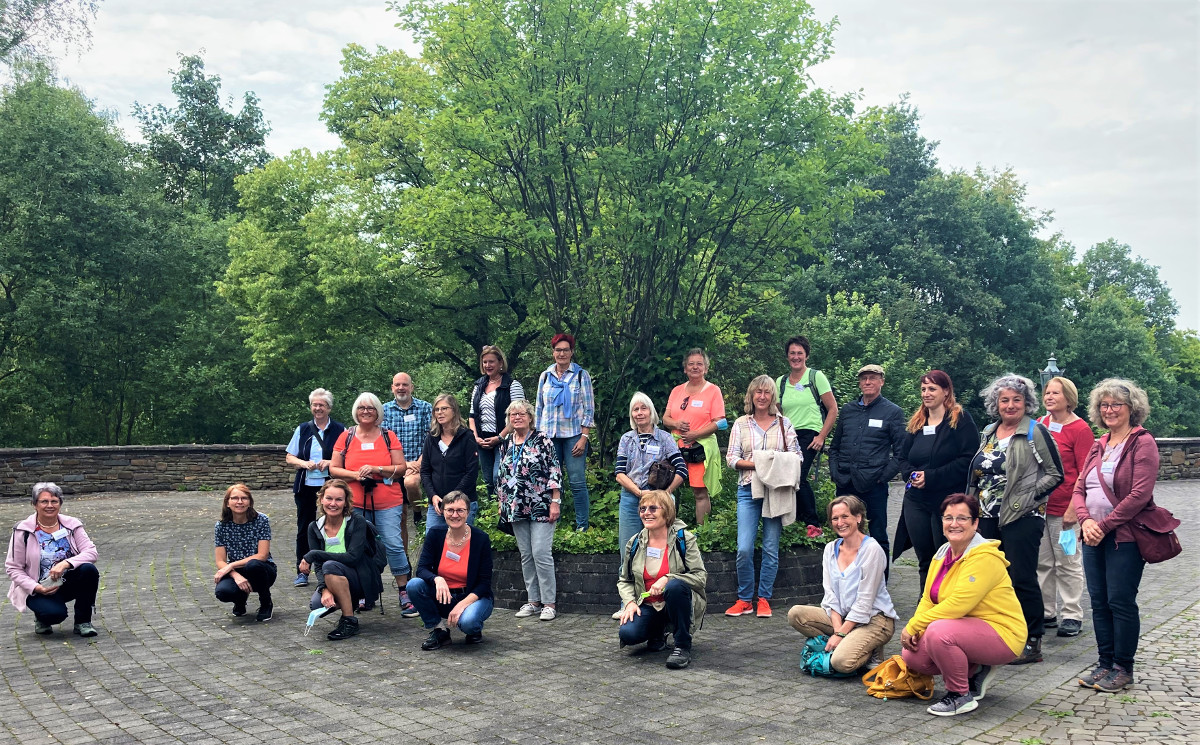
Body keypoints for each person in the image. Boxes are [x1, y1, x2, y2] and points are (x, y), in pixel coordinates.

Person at [901, 493, 1026, 717]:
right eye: (948, 518)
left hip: (1003, 633)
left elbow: (958, 604)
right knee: (912, 655)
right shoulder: (942, 554)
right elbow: (928, 598)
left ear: (975, 523)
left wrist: (915, 626)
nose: (954, 524)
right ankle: (975, 669)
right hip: (966, 629)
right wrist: (915, 627)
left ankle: (960, 695)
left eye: (962, 518)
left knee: (938, 632)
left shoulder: (984, 557)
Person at [968, 374, 1064, 665]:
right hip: (986, 517)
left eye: (1016, 400)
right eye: (1004, 400)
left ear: (1026, 403)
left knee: (1021, 578)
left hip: (1022, 516)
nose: (1010, 405)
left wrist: (1028, 498)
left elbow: (1055, 474)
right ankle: (998, 634)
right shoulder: (988, 431)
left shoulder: (1035, 431)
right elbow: (977, 472)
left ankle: (1032, 641)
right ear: (996, 403)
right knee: (990, 579)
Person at [1073, 378, 1159, 693]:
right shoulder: (1099, 444)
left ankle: (1124, 667)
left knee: (1120, 601)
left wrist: (1103, 525)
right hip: (1092, 534)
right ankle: (1105, 663)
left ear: (1131, 408)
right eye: (1104, 405)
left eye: (1116, 405)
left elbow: (1139, 494)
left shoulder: (1142, 442)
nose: (1109, 410)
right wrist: (1085, 521)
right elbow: (1080, 487)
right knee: (1098, 602)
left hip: (1124, 536)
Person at [787, 496, 898, 673]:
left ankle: (872, 649)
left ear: (859, 517)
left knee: (841, 663)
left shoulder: (872, 550)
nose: (840, 523)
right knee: (796, 614)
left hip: (875, 620)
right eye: (835, 518)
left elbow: (865, 601)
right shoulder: (831, 548)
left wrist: (840, 635)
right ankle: (852, 642)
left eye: (845, 516)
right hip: (845, 617)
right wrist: (839, 631)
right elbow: (831, 595)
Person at [725, 375, 803, 619]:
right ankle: (744, 599)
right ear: (751, 395)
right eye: (757, 392)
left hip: (775, 491)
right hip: (748, 490)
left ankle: (764, 599)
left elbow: (797, 456)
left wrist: (770, 465)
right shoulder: (741, 424)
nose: (762, 396)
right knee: (744, 548)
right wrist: (760, 464)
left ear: (772, 397)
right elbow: (731, 459)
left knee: (770, 548)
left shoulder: (784, 424)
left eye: (766, 392)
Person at [897, 370, 979, 591]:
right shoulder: (917, 422)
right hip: (916, 500)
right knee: (925, 558)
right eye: (923, 389)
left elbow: (968, 459)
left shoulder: (959, 419)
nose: (926, 393)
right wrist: (911, 475)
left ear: (946, 391)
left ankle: (948, 606)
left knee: (946, 556)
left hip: (946, 500)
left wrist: (931, 477)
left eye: (932, 388)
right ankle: (925, 606)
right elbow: (902, 457)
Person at [330, 392, 412, 614]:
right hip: (355, 503)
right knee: (359, 548)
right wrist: (356, 475)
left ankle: (404, 590)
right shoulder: (345, 436)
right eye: (361, 408)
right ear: (356, 411)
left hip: (388, 501)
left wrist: (377, 470)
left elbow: (401, 468)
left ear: (378, 412)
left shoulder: (388, 436)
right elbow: (333, 469)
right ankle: (366, 591)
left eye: (371, 408)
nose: (365, 412)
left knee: (394, 545)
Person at [617, 490, 707, 670]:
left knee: (674, 587)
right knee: (628, 634)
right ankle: (659, 632)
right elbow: (624, 580)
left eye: (652, 508)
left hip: (678, 601)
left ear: (666, 512)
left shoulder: (684, 539)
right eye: (642, 509)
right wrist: (629, 603)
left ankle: (682, 645)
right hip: (649, 604)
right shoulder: (634, 542)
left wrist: (667, 578)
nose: (646, 513)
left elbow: (700, 577)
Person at [827, 364, 907, 558]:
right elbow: (835, 446)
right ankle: (848, 580)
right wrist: (835, 472)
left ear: (882, 381)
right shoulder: (848, 410)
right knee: (845, 533)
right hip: (846, 482)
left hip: (874, 485)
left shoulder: (892, 412)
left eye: (872, 378)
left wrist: (882, 477)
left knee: (878, 535)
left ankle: (880, 585)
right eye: (864, 378)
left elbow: (901, 452)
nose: (868, 382)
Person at [497, 399, 563, 622]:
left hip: (541, 504)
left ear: (530, 417)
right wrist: (501, 502)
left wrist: (556, 501)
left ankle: (549, 603)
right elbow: (502, 475)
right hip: (515, 506)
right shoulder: (506, 442)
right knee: (526, 555)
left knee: (541, 553)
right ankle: (533, 601)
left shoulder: (542, 439)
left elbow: (554, 470)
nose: (517, 417)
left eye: (521, 413)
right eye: (513, 414)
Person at [1038, 376, 1094, 638]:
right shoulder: (1040, 424)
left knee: (1068, 561)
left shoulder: (1080, 429)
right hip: (1040, 507)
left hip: (1065, 510)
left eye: (1055, 393)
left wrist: (1075, 508)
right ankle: (1046, 612)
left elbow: (1085, 472)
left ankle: (1072, 614)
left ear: (1068, 398)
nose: (1049, 396)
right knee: (1043, 562)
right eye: (1047, 392)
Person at [5, 482, 100, 637]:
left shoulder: (71, 525)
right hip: (37, 588)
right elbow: (13, 568)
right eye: (44, 501)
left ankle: (83, 621)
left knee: (88, 570)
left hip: (66, 581)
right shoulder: (23, 531)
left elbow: (91, 552)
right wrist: (36, 587)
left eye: (54, 501)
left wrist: (66, 563)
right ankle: (42, 618)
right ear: (34, 504)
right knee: (55, 615)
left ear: (60, 504)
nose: (50, 505)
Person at [407, 491, 495, 650]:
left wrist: (462, 605)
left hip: (473, 597)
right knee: (414, 585)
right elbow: (422, 569)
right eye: (450, 510)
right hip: (444, 596)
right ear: (443, 511)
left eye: (460, 510)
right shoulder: (435, 534)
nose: (455, 515)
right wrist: (437, 579)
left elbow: (484, 583)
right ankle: (440, 630)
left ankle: (473, 629)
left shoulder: (481, 539)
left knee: (468, 623)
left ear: (468, 512)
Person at [299, 480, 383, 641]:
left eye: (339, 499)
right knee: (317, 605)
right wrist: (324, 589)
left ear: (346, 502)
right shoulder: (314, 527)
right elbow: (318, 566)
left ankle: (349, 620)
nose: (333, 504)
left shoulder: (356, 522)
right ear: (321, 499)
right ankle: (346, 601)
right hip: (334, 578)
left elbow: (353, 558)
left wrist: (314, 553)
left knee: (330, 565)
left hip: (361, 577)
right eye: (329, 498)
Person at [614, 392, 688, 558]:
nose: (639, 412)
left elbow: (682, 470)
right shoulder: (626, 439)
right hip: (631, 498)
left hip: (658, 501)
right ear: (632, 415)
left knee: (658, 552)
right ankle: (627, 583)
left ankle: (657, 584)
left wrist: (665, 494)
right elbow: (619, 474)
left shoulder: (665, 438)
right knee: (628, 550)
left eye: (643, 408)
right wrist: (638, 492)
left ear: (651, 412)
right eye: (635, 409)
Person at [776, 335, 838, 531]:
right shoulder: (781, 382)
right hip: (787, 436)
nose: (796, 357)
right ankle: (795, 522)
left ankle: (812, 522)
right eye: (792, 353)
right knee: (787, 478)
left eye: (799, 353)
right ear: (787, 356)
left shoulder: (815, 377)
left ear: (806, 356)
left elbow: (833, 409)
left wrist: (821, 436)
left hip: (809, 434)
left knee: (798, 476)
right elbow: (777, 412)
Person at [284, 388, 345, 587]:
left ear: (329, 408)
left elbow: (346, 457)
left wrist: (329, 462)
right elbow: (289, 456)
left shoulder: (340, 430)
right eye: (315, 405)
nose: (318, 408)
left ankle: (334, 567)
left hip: (331, 487)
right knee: (305, 527)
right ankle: (302, 570)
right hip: (306, 486)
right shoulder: (303, 429)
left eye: (322, 405)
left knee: (334, 527)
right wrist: (303, 463)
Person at [534, 333, 596, 531]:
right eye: (558, 350)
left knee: (577, 482)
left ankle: (582, 528)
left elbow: (588, 409)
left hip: (573, 437)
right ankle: (552, 526)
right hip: (548, 438)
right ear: (553, 353)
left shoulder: (580, 375)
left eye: (566, 350)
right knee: (551, 483)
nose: (562, 353)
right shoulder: (545, 376)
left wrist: (584, 437)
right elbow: (538, 408)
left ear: (571, 352)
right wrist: (537, 437)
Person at [662, 348, 725, 526]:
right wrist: (676, 424)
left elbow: (720, 422)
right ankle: (667, 530)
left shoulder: (713, 391)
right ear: (685, 368)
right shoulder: (676, 391)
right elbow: (665, 418)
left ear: (706, 368)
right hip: (675, 448)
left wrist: (695, 434)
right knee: (667, 489)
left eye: (699, 364)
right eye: (691, 364)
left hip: (699, 449)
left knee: (699, 492)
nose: (695, 367)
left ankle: (702, 533)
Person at [381, 371, 433, 568]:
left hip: (421, 462)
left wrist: (418, 462)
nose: (401, 388)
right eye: (397, 385)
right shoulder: (384, 410)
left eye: (405, 384)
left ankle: (418, 513)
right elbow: (384, 441)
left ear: (411, 387)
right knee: (398, 516)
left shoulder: (425, 408)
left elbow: (431, 437)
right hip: (395, 465)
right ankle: (403, 562)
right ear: (392, 388)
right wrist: (402, 465)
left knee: (411, 483)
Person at [468, 345, 526, 500]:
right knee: (488, 481)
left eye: (491, 361)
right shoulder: (478, 385)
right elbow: (472, 415)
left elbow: (519, 416)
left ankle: (506, 508)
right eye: (485, 362)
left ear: (500, 362)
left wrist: (500, 437)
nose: (488, 365)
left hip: (505, 439)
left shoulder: (512, 385)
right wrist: (475, 437)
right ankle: (492, 514)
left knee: (498, 477)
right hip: (482, 440)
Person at [213, 483, 277, 622]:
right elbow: (220, 561)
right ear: (227, 503)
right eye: (235, 498)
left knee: (253, 565)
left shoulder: (261, 520)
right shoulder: (221, 526)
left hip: (263, 569)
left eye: (244, 498)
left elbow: (262, 555)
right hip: (237, 570)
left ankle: (266, 602)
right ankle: (240, 600)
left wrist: (231, 565)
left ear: (250, 502)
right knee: (222, 592)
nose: (240, 502)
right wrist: (235, 575)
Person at [421, 393, 481, 531]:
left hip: (462, 503)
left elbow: (471, 472)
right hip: (437, 504)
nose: (440, 413)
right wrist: (432, 495)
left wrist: (452, 499)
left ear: (454, 410)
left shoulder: (467, 436)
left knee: (460, 545)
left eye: (444, 409)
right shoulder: (431, 438)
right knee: (433, 542)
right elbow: (425, 471)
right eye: (437, 410)